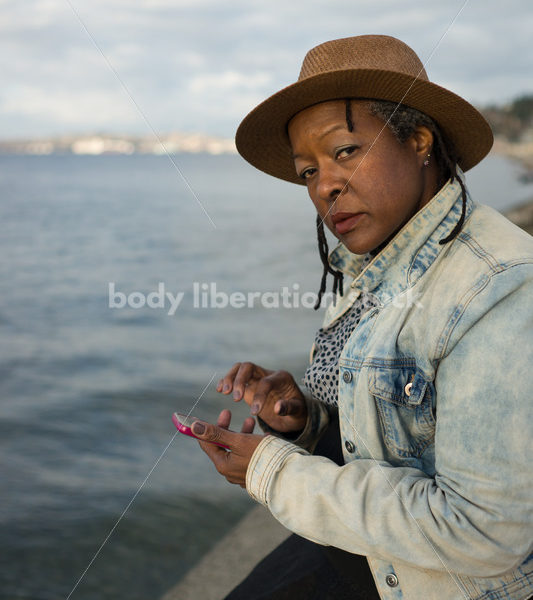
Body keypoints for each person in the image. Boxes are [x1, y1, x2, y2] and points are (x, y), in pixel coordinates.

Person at [189, 35, 533, 600]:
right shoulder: (371, 263)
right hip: (369, 554)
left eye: (345, 151)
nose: (325, 186)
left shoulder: (498, 288)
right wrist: (304, 423)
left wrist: (274, 471)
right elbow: (395, 438)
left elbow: (484, 534)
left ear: (419, 141)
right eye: (307, 172)